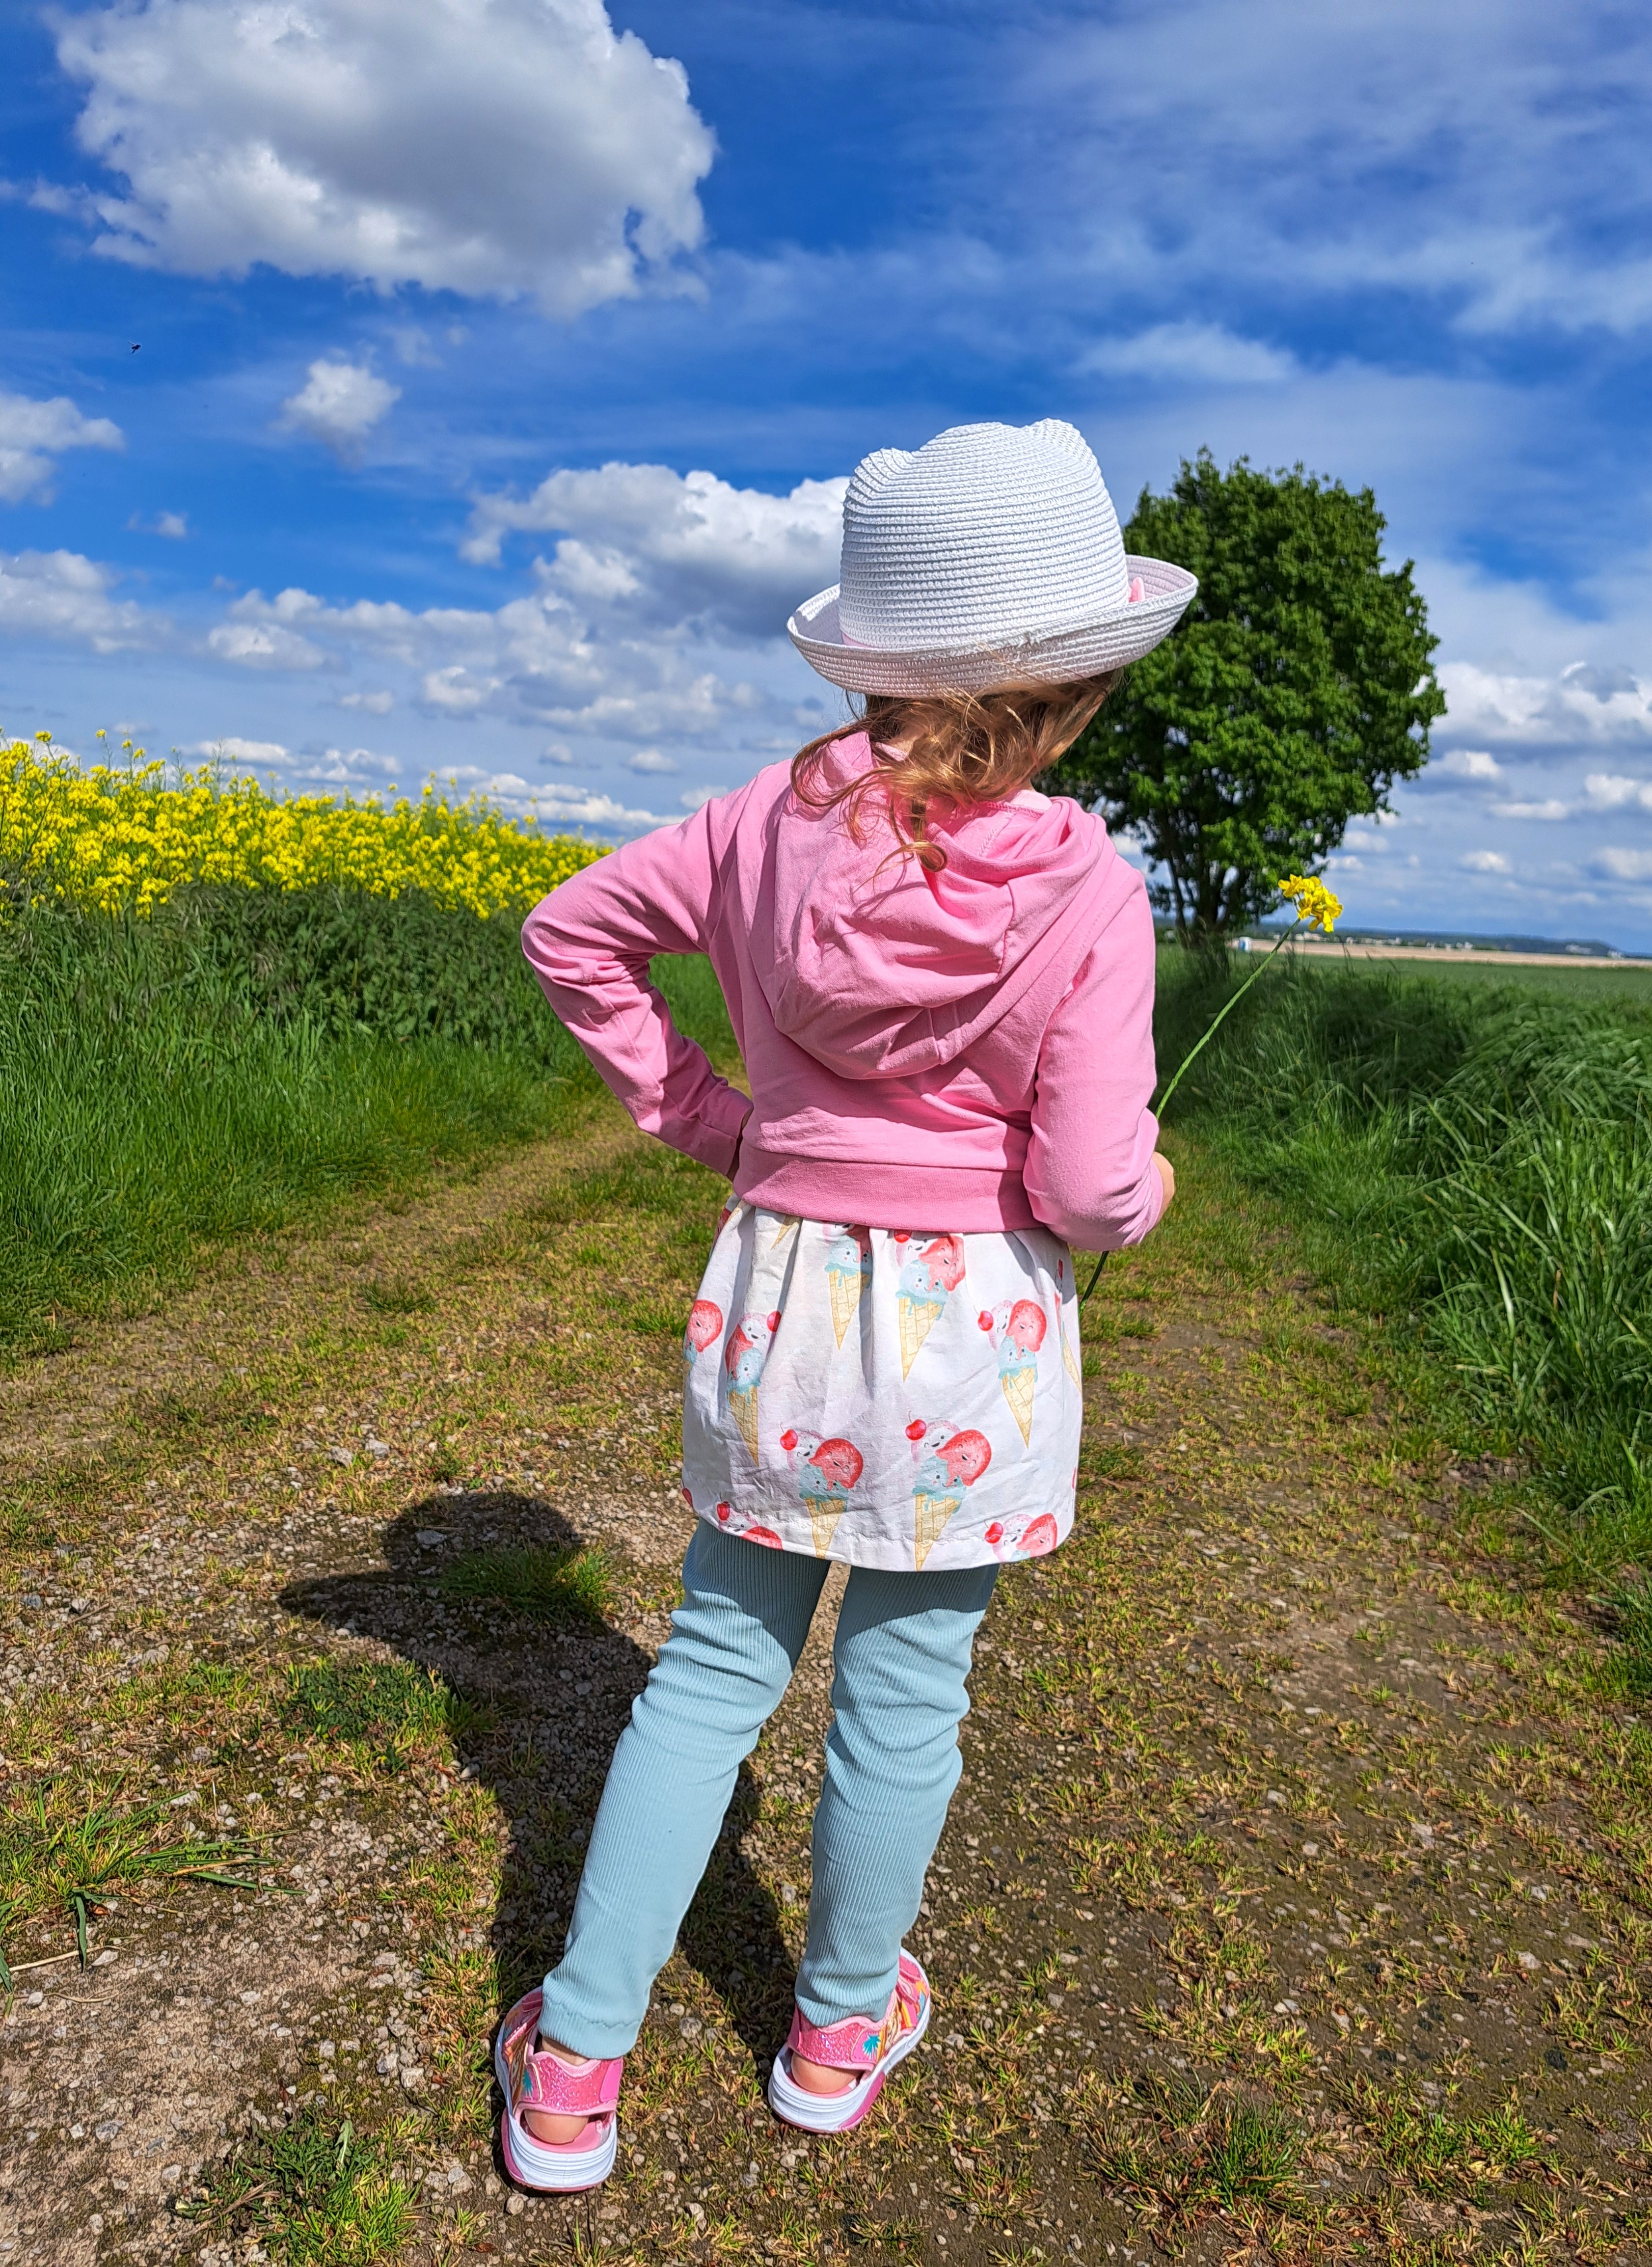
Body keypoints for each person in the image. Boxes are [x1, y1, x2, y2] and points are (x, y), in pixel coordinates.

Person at [496, 418, 1194, 2192]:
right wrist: (1139, 1195)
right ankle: (834, 2029)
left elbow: (571, 930)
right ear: (1072, 687)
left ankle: (577, 2060)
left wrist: (713, 1118)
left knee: (715, 1667)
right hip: (969, 1352)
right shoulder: (1095, 894)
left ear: (880, 662)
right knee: (907, 1696)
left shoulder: (760, 824)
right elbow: (1096, 1185)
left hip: (783, 1310)